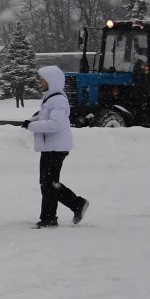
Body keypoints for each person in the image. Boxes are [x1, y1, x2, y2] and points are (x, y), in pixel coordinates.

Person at [26, 65, 88, 228]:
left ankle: (76, 204)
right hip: (50, 147)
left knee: (49, 184)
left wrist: (32, 127)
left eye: (43, 80)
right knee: (47, 183)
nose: (41, 82)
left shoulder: (58, 100)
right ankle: (49, 217)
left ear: (52, 81)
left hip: (56, 147)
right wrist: (32, 121)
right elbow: (44, 116)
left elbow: (54, 124)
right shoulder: (51, 98)